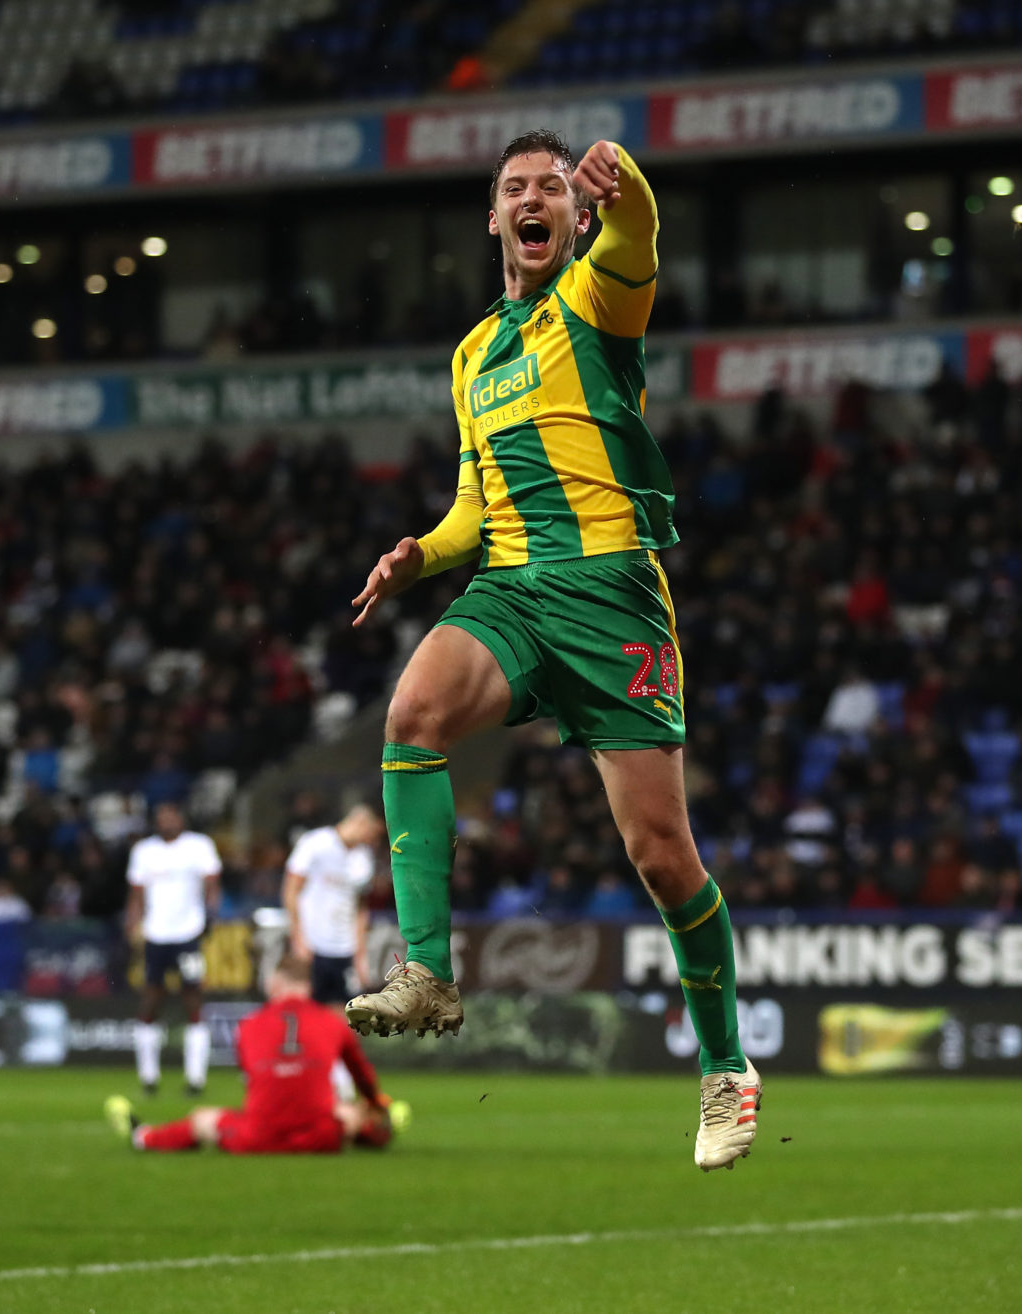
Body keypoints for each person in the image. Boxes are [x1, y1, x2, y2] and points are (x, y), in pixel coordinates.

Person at [344, 129, 758, 1171]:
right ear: (493, 219)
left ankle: (724, 1069)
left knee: (660, 857)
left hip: (611, 595)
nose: (533, 200)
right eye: (513, 190)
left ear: (572, 215)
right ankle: (427, 972)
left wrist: (626, 177)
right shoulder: (472, 355)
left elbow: (641, 229)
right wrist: (419, 554)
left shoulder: (598, 296)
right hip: (513, 590)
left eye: (552, 188)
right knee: (412, 714)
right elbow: (473, 509)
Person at [104, 954, 405, 1155]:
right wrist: (375, 1104)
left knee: (202, 1119)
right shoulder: (332, 1021)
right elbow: (363, 1078)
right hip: (320, 1137)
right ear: (308, 987)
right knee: (352, 1113)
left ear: (275, 984)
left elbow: (254, 1081)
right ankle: (384, 1127)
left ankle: (143, 1136)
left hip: (259, 1137)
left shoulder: (249, 1025)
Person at [123, 800, 222, 1096]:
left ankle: (195, 1078)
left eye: (171, 816)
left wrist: (210, 915)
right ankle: (148, 1077)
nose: (167, 821)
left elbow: (212, 883)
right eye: (162, 817)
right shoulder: (144, 851)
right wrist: (132, 924)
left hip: (188, 933)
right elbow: (136, 894)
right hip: (155, 934)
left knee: (193, 998)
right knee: (151, 999)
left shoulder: (199, 845)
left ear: (181, 818)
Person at [283, 803, 385, 1005]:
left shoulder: (363, 858)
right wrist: (298, 937)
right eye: (372, 834)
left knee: (347, 1007)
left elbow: (360, 908)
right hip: (314, 943)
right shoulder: (315, 843)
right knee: (312, 1007)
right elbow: (291, 890)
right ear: (360, 823)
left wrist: (360, 953)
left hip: (345, 946)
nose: (373, 841)